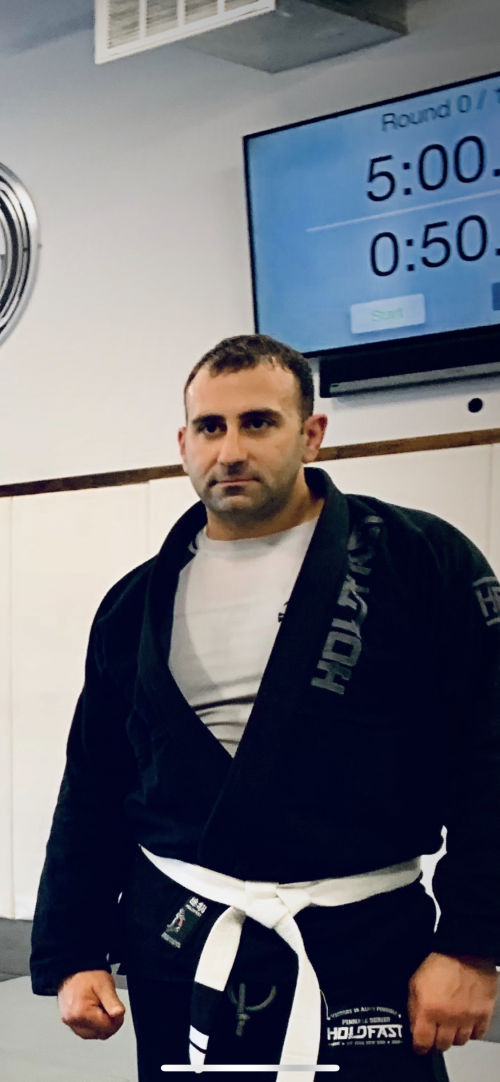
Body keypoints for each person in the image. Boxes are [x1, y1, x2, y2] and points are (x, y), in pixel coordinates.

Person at [30, 334, 500, 1082]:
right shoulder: (134, 603)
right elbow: (93, 784)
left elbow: (491, 757)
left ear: (311, 434)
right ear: (184, 444)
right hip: (181, 933)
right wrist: (73, 949)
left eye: (258, 422)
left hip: (362, 943)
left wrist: (473, 944)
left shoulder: (418, 560)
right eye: (210, 428)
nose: (231, 450)